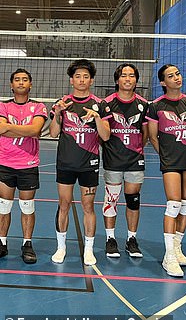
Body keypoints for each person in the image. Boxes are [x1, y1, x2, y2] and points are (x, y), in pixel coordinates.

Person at [49, 59, 110, 266]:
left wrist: (97, 119)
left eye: (86, 76)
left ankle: (89, 249)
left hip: (89, 164)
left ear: (91, 80)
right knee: (64, 204)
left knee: (88, 206)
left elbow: (107, 136)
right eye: (78, 76)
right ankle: (61, 247)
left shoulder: (100, 105)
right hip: (65, 163)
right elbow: (54, 133)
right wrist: (57, 113)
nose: (82, 80)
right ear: (71, 80)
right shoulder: (63, 102)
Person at [147, 64, 186, 277]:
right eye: (171, 76)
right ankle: (169, 256)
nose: (176, 78)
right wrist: (167, 155)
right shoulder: (156, 106)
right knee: (173, 203)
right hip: (171, 160)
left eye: (178, 74)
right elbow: (153, 136)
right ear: (163, 82)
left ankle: (177, 246)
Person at [100, 63, 148, 258]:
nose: (128, 79)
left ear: (136, 80)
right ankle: (110, 239)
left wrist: (135, 148)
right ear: (117, 80)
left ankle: (131, 239)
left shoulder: (144, 105)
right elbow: (103, 133)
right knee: (111, 198)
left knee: (133, 200)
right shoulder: (106, 103)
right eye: (124, 75)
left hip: (134, 159)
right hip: (113, 159)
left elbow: (145, 134)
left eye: (131, 75)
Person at [0, 68, 47, 263]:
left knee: (27, 206)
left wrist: (11, 128)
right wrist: (26, 131)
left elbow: (36, 129)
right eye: (17, 80)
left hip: (27, 164)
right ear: (11, 85)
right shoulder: (2, 106)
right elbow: (1, 129)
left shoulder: (38, 107)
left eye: (25, 79)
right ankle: (2, 242)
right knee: (4, 205)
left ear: (30, 84)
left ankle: (27, 243)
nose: (21, 82)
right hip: (5, 162)